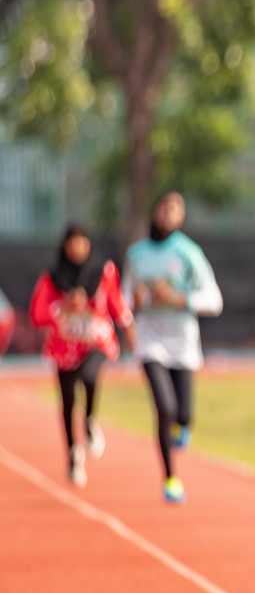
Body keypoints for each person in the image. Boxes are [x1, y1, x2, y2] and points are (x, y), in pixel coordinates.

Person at [124, 192, 224, 504]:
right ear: (156, 211)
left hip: (182, 342)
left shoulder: (188, 253)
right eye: (165, 208)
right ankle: (170, 478)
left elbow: (214, 300)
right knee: (164, 408)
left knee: (183, 414)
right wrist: (137, 303)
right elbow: (126, 299)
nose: (168, 214)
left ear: (182, 218)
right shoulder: (137, 254)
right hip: (150, 340)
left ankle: (182, 427)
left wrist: (177, 298)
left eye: (176, 210)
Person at [29, 226, 136, 486]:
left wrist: (130, 330)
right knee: (66, 401)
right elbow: (37, 314)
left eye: (81, 242)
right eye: (72, 243)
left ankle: (89, 420)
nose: (77, 248)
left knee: (89, 375)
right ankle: (73, 454)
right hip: (65, 345)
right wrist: (64, 306)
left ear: (89, 244)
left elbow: (116, 302)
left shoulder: (104, 271)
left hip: (95, 341)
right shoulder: (52, 278)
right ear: (65, 246)